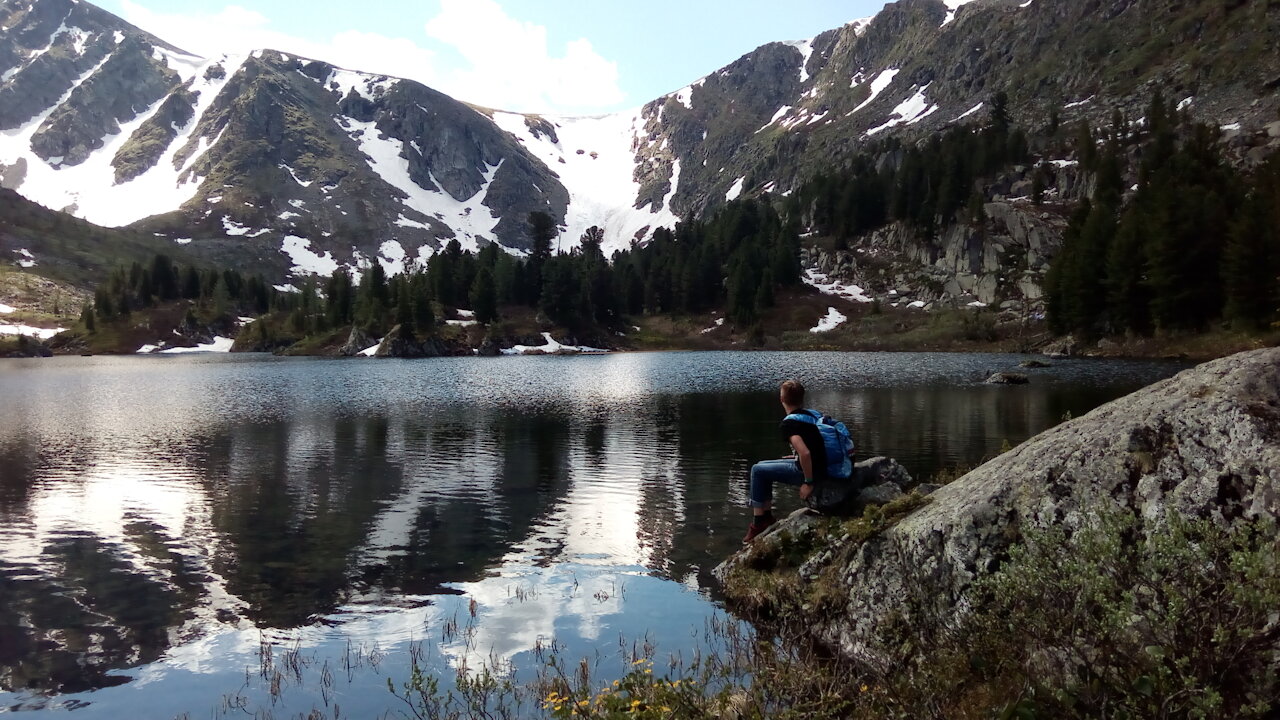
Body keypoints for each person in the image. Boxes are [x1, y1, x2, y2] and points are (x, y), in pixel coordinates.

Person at [743, 379, 839, 543]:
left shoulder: (789, 424)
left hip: (809, 472)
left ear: (782, 400)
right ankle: (767, 516)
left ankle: (759, 523)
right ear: (802, 398)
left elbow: (806, 453)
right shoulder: (809, 415)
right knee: (761, 466)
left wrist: (808, 483)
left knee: (757, 471)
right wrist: (797, 457)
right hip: (818, 465)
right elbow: (813, 445)